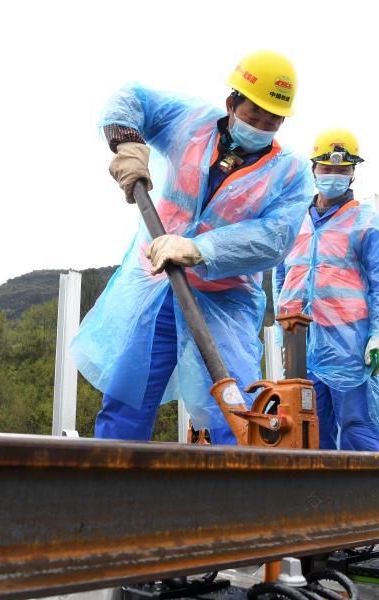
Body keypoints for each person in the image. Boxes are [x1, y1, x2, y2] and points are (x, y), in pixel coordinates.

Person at [70, 50, 314, 443]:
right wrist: (128, 141)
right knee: (128, 397)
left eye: (272, 121)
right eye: (253, 115)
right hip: (158, 287)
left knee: (236, 412)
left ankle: (236, 496)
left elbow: (275, 237)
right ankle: (109, 487)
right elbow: (133, 98)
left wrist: (201, 249)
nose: (261, 126)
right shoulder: (191, 123)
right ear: (232, 103)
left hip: (224, 302)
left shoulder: (291, 173)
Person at [275, 128, 379, 451]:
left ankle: (370, 498)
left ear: (353, 173)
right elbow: (282, 278)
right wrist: (282, 334)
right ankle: (315, 500)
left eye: (342, 169)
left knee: (359, 430)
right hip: (300, 346)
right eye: (327, 168)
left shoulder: (365, 221)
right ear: (314, 169)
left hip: (350, 348)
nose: (334, 175)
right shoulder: (293, 221)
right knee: (308, 434)